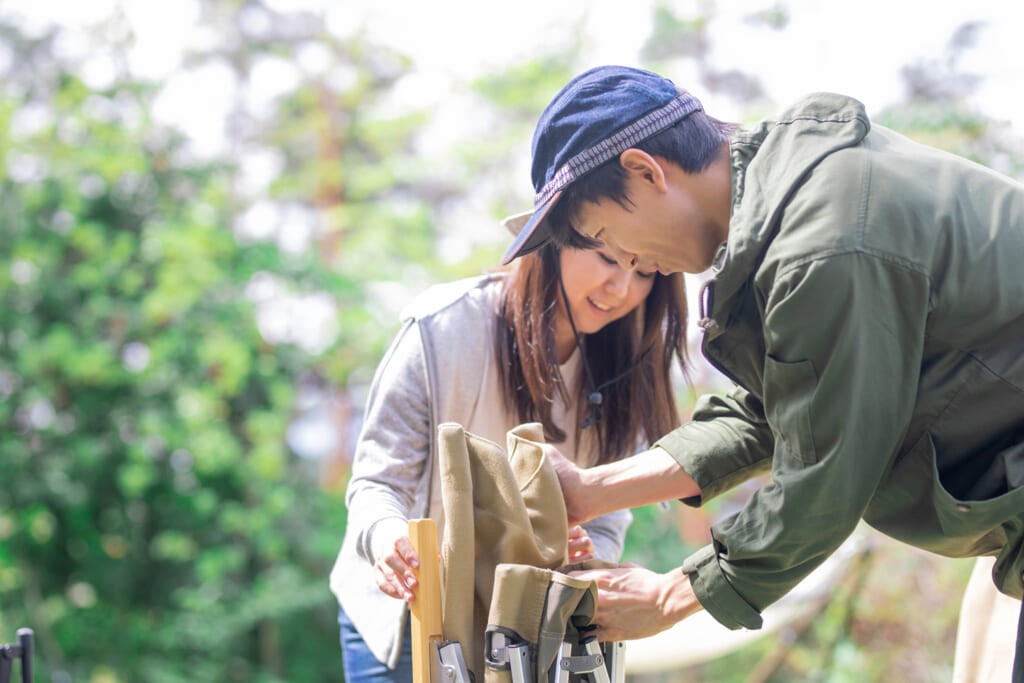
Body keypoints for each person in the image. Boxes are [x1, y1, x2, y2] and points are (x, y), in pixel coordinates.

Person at [500, 65, 1024, 678]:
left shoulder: (824, 243)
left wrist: (673, 595)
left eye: (604, 234)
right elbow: (784, 410)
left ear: (646, 172)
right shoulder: (802, 202)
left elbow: (826, 467)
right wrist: (593, 490)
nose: (629, 262)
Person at [329, 236, 689, 681]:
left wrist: (587, 548)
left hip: (523, 624)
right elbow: (378, 482)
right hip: (407, 608)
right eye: (608, 258)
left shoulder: (634, 367)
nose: (620, 287)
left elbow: (607, 518)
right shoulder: (442, 327)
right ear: (552, 240)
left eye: (646, 272)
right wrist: (388, 541)